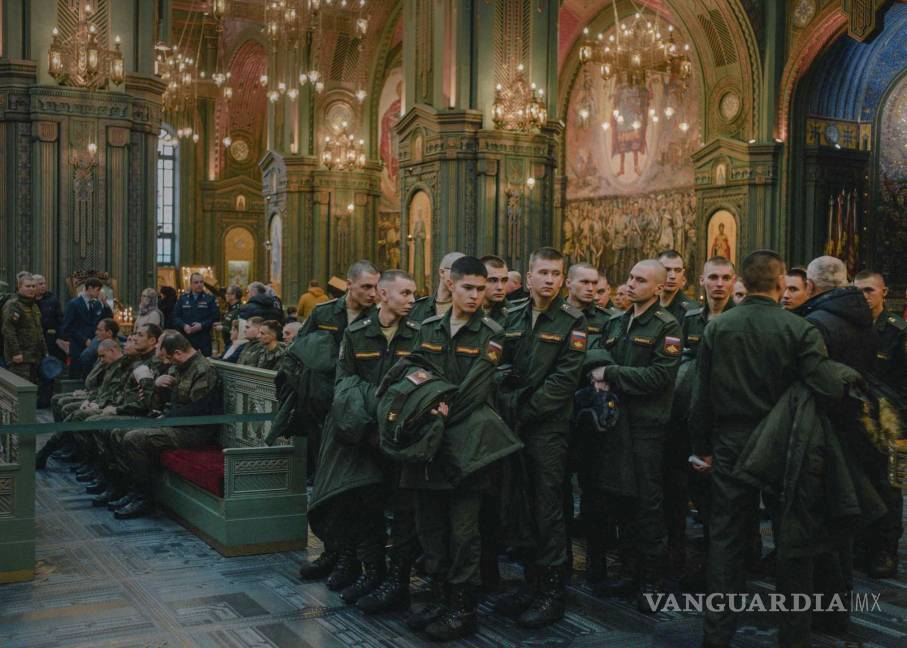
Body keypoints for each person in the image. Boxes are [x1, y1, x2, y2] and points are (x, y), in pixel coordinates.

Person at [688, 250, 859, 648]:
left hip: (730, 442)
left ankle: (716, 636)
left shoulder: (719, 327)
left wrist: (702, 448)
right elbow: (826, 388)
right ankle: (793, 636)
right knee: (792, 539)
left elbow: (701, 395)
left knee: (727, 540)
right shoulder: (798, 329)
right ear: (781, 282)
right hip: (784, 443)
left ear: (743, 283)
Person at [396, 256, 507, 641]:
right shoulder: (427, 327)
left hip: (465, 446)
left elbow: (475, 390)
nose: (475, 296)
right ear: (451, 285)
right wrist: (428, 405)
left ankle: (463, 607)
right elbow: (413, 373)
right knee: (430, 527)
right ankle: (441, 597)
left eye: (481, 289)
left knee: (463, 532)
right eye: (468, 288)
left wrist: (438, 408)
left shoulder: (491, 333)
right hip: (428, 446)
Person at [312, 270, 420, 616]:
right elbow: (345, 380)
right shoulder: (357, 333)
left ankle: (397, 580)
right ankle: (372, 571)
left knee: (403, 510)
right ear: (384, 294)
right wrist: (367, 416)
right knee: (365, 504)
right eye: (404, 293)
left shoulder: (419, 334)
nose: (411, 300)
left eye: (414, 294)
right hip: (365, 435)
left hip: (401, 435)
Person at [497, 247, 587, 629]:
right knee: (522, 502)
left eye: (556, 273)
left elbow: (563, 382)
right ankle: (531, 582)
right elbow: (498, 365)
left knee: (548, 507)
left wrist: (522, 410)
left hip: (547, 428)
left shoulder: (572, 322)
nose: (549, 280)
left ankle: (552, 590)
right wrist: (507, 395)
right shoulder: (511, 316)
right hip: (513, 424)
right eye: (543, 273)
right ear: (529, 276)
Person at [585, 260, 682, 611]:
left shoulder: (666, 326)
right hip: (615, 424)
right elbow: (593, 348)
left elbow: (658, 376)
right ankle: (629, 569)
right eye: (629, 277)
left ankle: (653, 581)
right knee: (621, 499)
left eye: (640, 280)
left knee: (648, 505)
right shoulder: (617, 320)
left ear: (658, 288)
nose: (631, 284)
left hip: (646, 428)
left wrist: (610, 371)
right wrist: (600, 366)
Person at [295, 260, 381, 581]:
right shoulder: (324, 313)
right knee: (326, 488)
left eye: (376, 287)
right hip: (324, 412)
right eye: (365, 287)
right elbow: (301, 350)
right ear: (349, 285)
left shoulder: (379, 318)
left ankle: (355, 560)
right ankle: (333, 552)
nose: (373, 294)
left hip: (358, 416)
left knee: (354, 490)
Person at [664, 257, 735, 574]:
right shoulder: (689, 319)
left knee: (719, 500)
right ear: (702, 280)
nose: (719, 284)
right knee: (680, 489)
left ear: (733, 281)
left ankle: (719, 564)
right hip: (687, 419)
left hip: (725, 421)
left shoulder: (739, 319)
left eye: (725, 278)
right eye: (713, 278)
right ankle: (678, 554)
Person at [110, 330, 222, 519]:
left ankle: (144, 498)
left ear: (178, 352)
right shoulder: (178, 366)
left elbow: (199, 409)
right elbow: (162, 400)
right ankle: (130, 489)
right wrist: (158, 384)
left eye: (170, 358)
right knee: (117, 432)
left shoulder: (203, 370)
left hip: (194, 431)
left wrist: (168, 416)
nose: (169, 363)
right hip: (174, 422)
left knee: (134, 438)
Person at [853, 269, 905, 577]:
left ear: (883, 292)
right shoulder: (851, 329)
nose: (863, 297)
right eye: (857, 291)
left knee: (888, 487)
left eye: (869, 290)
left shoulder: (898, 331)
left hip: (890, 424)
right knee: (860, 482)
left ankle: (885, 550)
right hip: (858, 420)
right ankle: (862, 544)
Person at [61, 277, 112, 377]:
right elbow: (68, 327)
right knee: (76, 373)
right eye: (97, 290)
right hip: (77, 344)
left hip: (93, 345)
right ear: (89, 288)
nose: (99, 293)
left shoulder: (97, 304)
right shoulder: (74, 304)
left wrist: (105, 303)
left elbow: (108, 318)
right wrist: (84, 340)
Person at [1, 272, 47, 383]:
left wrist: (45, 351)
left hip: (34, 356)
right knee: (23, 390)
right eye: (28, 286)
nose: (31, 289)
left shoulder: (34, 306)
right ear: (19, 287)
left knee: (33, 387)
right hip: (20, 357)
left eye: (33, 286)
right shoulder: (13, 305)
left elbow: (39, 330)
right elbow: (8, 330)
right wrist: (16, 352)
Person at [173, 273, 220, 356]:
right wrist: (184, 325)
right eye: (196, 282)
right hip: (186, 338)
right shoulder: (183, 298)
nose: (199, 284)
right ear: (191, 284)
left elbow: (215, 317)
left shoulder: (210, 298)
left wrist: (201, 325)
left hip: (204, 338)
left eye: (201, 282)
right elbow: (175, 317)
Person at [409, 252, 465, 322]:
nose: (462, 277)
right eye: (458, 271)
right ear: (442, 272)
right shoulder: (418, 308)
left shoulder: (466, 308)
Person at [657, 249, 693, 322]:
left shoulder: (691, 312)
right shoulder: (647, 304)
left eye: (677, 270)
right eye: (667, 269)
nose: (672, 276)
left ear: (683, 273)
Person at [480, 255, 510, 324]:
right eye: (492, 280)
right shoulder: (464, 311)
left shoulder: (515, 315)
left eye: (504, 280)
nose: (500, 287)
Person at [215, 285, 243, 349]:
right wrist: (221, 323)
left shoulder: (239, 309)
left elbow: (238, 330)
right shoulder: (231, 308)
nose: (225, 295)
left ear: (234, 295)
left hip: (233, 344)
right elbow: (230, 322)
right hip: (227, 342)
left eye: (227, 293)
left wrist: (222, 328)